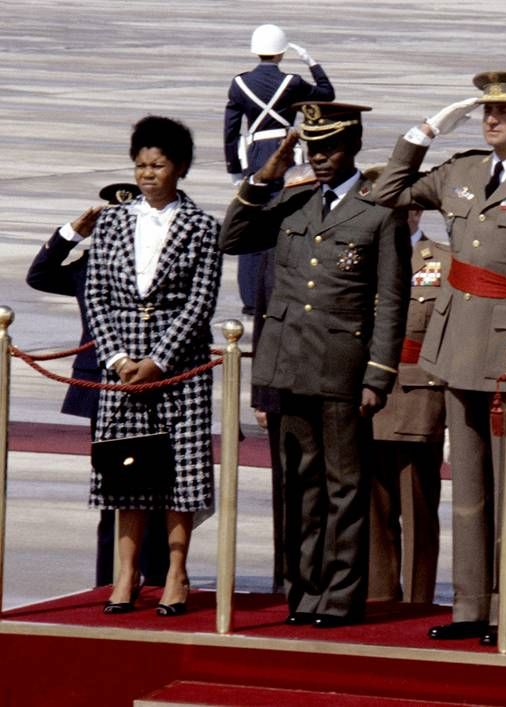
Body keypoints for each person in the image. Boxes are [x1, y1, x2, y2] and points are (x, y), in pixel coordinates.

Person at [373, 70, 506, 645]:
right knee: (467, 489)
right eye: (485, 112)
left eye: (505, 113)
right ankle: (469, 604)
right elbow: (387, 191)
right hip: (454, 346)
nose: (492, 121)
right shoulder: (461, 171)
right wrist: (424, 131)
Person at [220, 102, 410, 628]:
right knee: (299, 485)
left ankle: (341, 596)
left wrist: (378, 374)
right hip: (288, 363)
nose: (320, 158)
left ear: (352, 148)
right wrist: (265, 176)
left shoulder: (378, 214)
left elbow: (390, 302)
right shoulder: (293, 203)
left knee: (343, 486)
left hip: (342, 367)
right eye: (313, 148)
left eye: (329, 148)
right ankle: (304, 592)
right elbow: (233, 237)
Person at [85, 116, 222, 616]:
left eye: (158, 165)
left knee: (177, 475)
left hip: (176, 365)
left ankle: (177, 573)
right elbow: (95, 293)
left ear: (179, 167)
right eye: (140, 165)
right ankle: (126, 575)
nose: (147, 174)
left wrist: (158, 360)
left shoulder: (203, 226)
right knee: (125, 472)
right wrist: (118, 357)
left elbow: (200, 301)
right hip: (119, 366)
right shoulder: (114, 222)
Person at [26, 183, 171, 591]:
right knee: (113, 492)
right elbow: (38, 275)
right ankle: (109, 580)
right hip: (103, 388)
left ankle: (156, 575)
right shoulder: (87, 266)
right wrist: (71, 232)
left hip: (153, 384)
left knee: (157, 486)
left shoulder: (157, 262)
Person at [223, 23, 335, 316]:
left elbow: (230, 130)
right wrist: (313, 62)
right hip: (286, 155)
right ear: (282, 52)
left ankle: (250, 296)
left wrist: (234, 168)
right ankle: (281, 287)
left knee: (250, 220)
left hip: (256, 155)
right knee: (285, 221)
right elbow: (327, 94)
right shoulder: (293, 83)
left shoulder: (239, 84)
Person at [368, 204, 449, 604]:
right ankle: (380, 598)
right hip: (367, 397)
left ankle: (419, 602)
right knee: (373, 512)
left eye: (404, 211)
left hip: (419, 396)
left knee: (418, 511)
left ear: (417, 212)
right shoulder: (361, 253)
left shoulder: (444, 262)